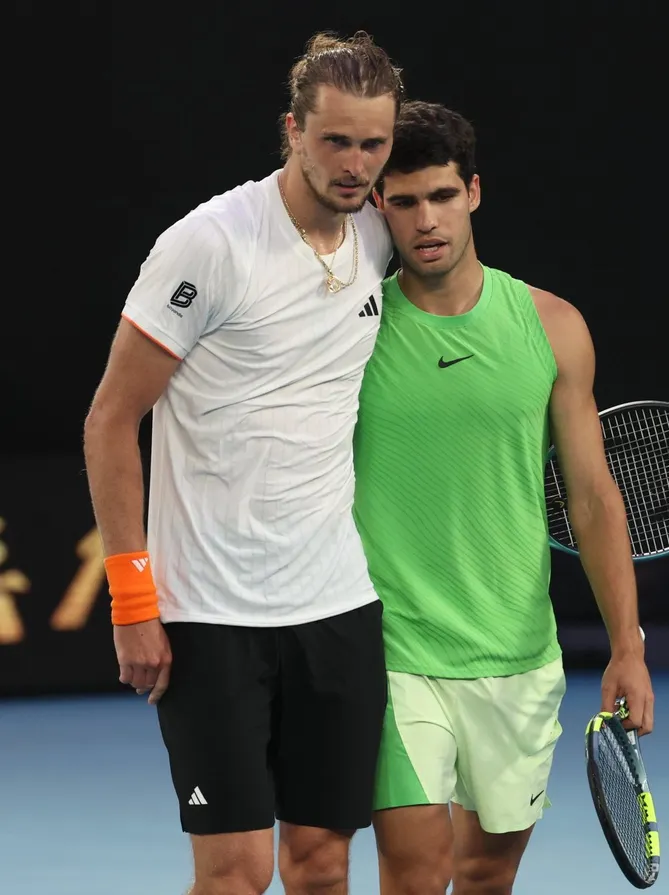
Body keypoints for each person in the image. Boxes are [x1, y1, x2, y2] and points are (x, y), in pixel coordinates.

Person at [82, 31, 403, 895]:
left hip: (336, 606)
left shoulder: (382, 234)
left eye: (375, 144)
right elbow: (112, 421)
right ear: (292, 130)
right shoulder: (209, 243)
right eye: (336, 140)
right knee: (234, 873)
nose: (356, 163)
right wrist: (133, 599)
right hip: (208, 615)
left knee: (323, 865)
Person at [351, 101, 656, 895]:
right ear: (379, 205)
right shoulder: (351, 332)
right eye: (406, 200)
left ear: (474, 192)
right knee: (415, 872)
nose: (427, 220)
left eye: (442, 196)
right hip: (394, 649)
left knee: (486, 873)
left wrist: (628, 644)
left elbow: (591, 497)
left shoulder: (553, 327)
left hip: (518, 654)